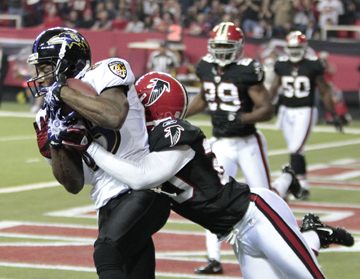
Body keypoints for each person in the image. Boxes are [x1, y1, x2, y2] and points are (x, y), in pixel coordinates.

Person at [56, 71, 354, 279]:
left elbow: (140, 178)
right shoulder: (141, 145)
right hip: (235, 235)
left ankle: (312, 234)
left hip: (256, 214)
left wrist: (91, 148)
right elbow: (108, 177)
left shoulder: (172, 131)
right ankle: (314, 234)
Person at [28, 27, 170, 279]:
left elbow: (113, 115)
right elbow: (72, 183)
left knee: (106, 252)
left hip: (142, 188)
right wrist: (57, 141)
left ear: (66, 63)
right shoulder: (46, 114)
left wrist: (63, 93)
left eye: (45, 66)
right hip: (106, 202)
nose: (39, 76)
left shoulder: (105, 71)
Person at [185, 21, 308, 274]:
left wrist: (241, 118)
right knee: (212, 197)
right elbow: (204, 97)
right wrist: (180, 114)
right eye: (217, 46)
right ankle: (214, 258)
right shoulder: (206, 66)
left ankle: (288, 179)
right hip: (221, 142)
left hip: (248, 142)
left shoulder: (247, 71)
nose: (220, 51)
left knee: (267, 196)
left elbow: (267, 109)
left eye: (225, 46)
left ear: (238, 48)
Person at [269, 31, 343, 203]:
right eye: (292, 48)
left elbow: (324, 91)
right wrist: (269, 106)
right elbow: (274, 88)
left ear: (304, 48)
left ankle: (289, 183)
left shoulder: (313, 65)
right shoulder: (281, 65)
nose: (294, 52)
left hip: (306, 110)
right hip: (286, 111)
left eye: (297, 48)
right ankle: (303, 187)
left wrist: (333, 113)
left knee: (295, 148)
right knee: (296, 150)